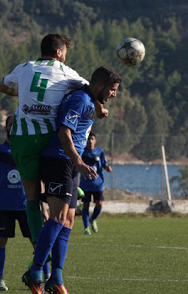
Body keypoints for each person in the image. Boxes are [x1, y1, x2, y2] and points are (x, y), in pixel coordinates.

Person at [0, 33, 108, 246]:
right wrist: (101, 109)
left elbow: (1, 87)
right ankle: (71, 187)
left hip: (23, 137)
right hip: (49, 138)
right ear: (59, 52)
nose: (65, 56)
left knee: (31, 196)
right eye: (65, 52)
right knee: (55, 176)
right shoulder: (67, 73)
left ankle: (39, 247)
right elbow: (93, 91)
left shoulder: (24, 67)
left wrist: (20, 94)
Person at [24, 66, 121, 294]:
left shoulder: (88, 98)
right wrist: (78, 161)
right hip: (60, 160)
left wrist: (99, 107)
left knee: (68, 220)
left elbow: (90, 105)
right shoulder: (79, 99)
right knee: (57, 217)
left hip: (70, 163)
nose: (114, 94)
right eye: (113, 90)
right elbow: (64, 132)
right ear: (100, 86)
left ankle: (56, 278)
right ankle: (35, 271)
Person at [0, 115, 50, 291]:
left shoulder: (29, 150)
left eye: (17, 124)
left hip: (28, 205)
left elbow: (38, 179)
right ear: (6, 127)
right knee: (1, 240)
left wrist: (44, 206)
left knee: (37, 242)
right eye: (11, 124)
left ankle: (47, 277)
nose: (14, 127)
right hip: (4, 206)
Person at [79, 132, 113, 235]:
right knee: (86, 205)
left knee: (100, 203)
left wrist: (107, 167)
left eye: (92, 139)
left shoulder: (100, 151)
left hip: (98, 183)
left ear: (95, 140)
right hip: (85, 183)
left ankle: (92, 219)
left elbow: (104, 163)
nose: (90, 141)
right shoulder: (82, 152)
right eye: (89, 139)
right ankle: (86, 228)